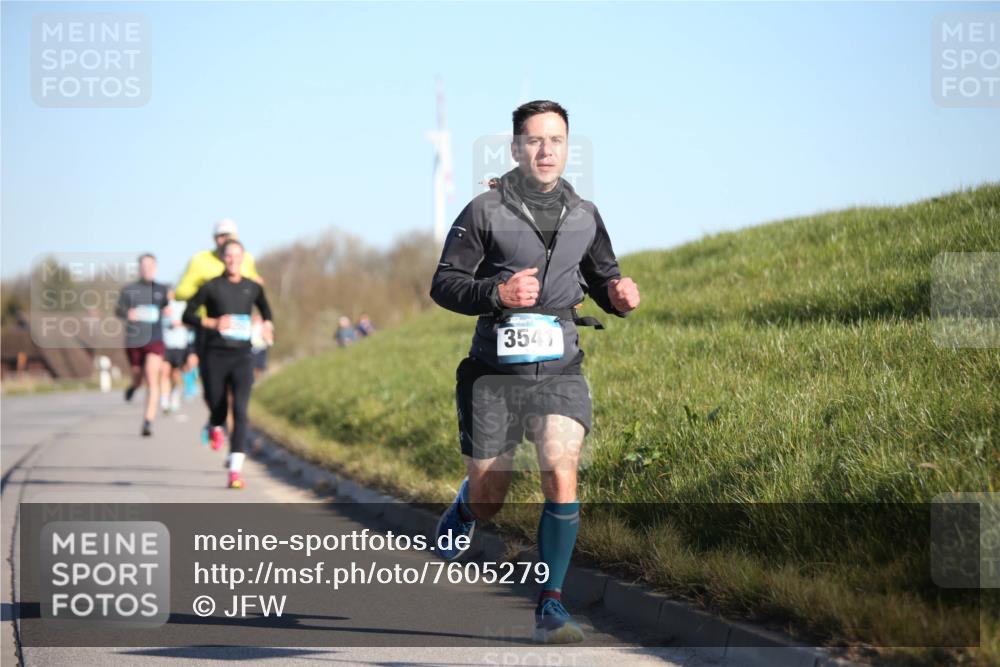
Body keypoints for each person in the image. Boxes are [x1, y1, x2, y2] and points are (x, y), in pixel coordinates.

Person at [429, 100, 640, 644]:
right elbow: (444, 283)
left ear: (568, 148)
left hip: (561, 368)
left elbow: (602, 276)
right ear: (517, 148)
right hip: (493, 375)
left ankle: (551, 604)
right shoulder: (483, 211)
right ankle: (466, 505)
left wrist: (618, 295)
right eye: (535, 141)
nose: (547, 151)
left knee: (559, 470)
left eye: (557, 141)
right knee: (490, 497)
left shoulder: (586, 214)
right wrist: (495, 293)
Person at [183, 239, 273, 489]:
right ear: (223, 258)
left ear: (243, 258)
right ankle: (214, 424)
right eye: (228, 255)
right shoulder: (211, 287)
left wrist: (267, 325)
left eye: (237, 255)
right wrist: (212, 323)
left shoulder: (252, 287)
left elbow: (266, 311)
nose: (233, 260)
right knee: (217, 405)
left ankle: (235, 471)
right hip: (215, 355)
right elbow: (187, 313)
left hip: (243, 355)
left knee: (241, 411)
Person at [175, 218, 261, 444]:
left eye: (229, 236)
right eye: (220, 236)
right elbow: (181, 292)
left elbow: (251, 288)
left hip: (239, 335)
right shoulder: (200, 260)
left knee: (237, 397)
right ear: (215, 240)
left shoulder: (246, 258)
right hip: (208, 330)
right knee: (214, 393)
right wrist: (205, 287)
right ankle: (217, 420)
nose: (225, 240)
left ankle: (232, 447)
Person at [115, 253, 171, 437]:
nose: (147, 269)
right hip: (134, 340)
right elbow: (118, 310)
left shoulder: (162, 289)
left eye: (150, 266)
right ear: (139, 268)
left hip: (154, 339)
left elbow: (169, 307)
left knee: (151, 376)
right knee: (138, 377)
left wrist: (169, 310)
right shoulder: (129, 289)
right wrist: (127, 313)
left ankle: (148, 421)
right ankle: (133, 386)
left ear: (155, 268)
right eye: (143, 266)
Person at [160, 288, 192, 414]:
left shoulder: (183, 305)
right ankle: (164, 401)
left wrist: (180, 323)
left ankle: (175, 393)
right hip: (165, 345)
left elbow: (191, 323)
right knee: (164, 372)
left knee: (176, 374)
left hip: (180, 345)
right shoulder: (161, 307)